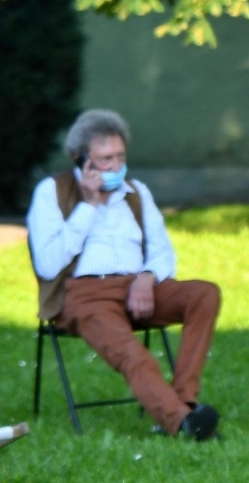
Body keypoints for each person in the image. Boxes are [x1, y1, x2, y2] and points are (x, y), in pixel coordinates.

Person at [27, 109, 222, 440]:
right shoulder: (52, 191)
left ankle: (185, 399)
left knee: (204, 293)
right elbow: (47, 264)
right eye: (105, 159)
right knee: (134, 355)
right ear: (81, 160)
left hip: (137, 288)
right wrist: (88, 206)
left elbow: (162, 251)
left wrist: (147, 277)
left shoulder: (136, 192)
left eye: (120, 156)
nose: (116, 166)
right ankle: (181, 423)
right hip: (82, 295)